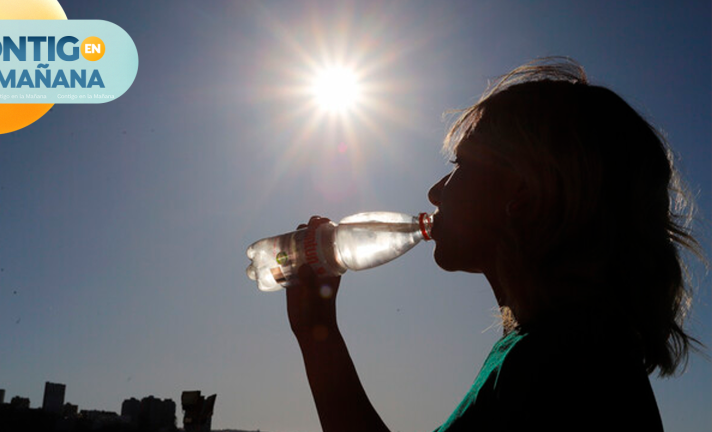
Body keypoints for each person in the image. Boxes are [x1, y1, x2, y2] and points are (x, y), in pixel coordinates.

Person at [285, 58, 703, 432]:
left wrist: (319, 341)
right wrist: (316, 334)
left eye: (461, 165)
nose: (434, 192)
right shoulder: (554, 350)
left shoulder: (560, 366)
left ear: (521, 193)